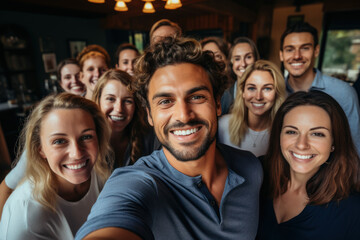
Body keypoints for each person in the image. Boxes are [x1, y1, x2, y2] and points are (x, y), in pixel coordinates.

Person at [76, 37, 263, 240]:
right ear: (149, 115)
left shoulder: (251, 168)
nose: (183, 115)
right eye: (165, 101)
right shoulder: (137, 182)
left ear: (217, 104)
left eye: (197, 97)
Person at [0, 93, 113, 239]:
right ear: (40, 148)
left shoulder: (102, 176)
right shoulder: (26, 214)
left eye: (86, 137)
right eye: (59, 141)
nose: (76, 153)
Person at [257, 90, 360, 239]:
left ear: (334, 143)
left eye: (317, 134)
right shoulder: (256, 173)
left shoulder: (353, 211)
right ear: (279, 136)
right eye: (292, 132)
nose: (301, 144)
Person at [280, 22, 360, 155]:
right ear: (281, 55)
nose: (296, 55)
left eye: (305, 48)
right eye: (290, 49)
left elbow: (355, 147)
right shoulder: (275, 92)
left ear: (316, 50)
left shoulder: (343, 93)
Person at [218, 60, 286, 157]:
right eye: (251, 88)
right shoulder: (222, 126)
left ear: (277, 93)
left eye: (267, 88)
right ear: (243, 92)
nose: (258, 97)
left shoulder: (284, 132)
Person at [93, 69, 160, 167]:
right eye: (111, 99)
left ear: (135, 106)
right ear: (98, 101)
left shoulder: (149, 137)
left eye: (127, 101)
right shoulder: (87, 141)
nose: (119, 109)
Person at [221, 37, 260, 115]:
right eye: (237, 59)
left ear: (256, 59)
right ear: (232, 63)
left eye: (248, 57)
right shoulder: (226, 95)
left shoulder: (265, 93)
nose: (243, 64)